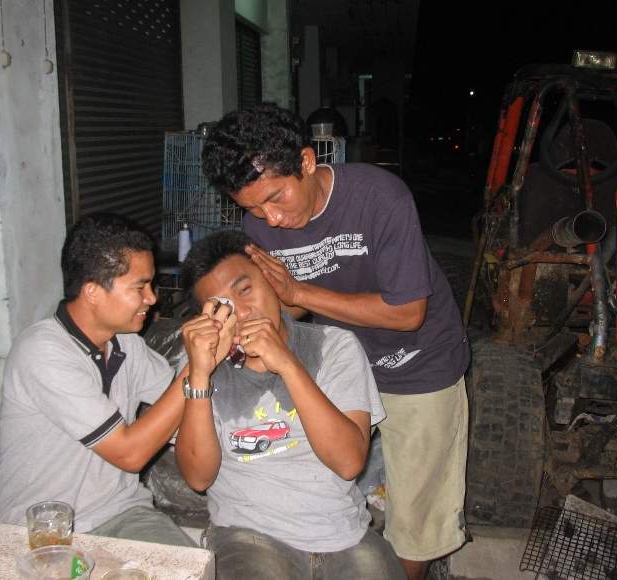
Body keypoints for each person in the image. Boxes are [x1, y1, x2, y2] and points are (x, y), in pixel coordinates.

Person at [201, 103, 471, 580]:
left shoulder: (380, 197)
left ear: (306, 162)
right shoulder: (260, 225)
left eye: (276, 198)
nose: (270, 219)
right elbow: (286, 310)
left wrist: (298, 293)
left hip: (417, 364)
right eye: (252, 208)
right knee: (327, 486)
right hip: (334, 364)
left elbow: (408, 312)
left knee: (417, 518)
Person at [0, 213, 233, 547]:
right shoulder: (42, 352)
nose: (152, 298)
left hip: (121, 511)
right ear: (92, 291)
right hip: (40, 526)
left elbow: (185, 407)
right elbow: (129, 453)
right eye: (139, 287)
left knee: (193, 567)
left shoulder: (126, 343)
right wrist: (197, 369)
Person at [175, 230, 405, 580]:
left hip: (342, 533)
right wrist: (200, 376)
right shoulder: (201, 364)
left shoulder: (334, 346)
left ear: (271, 280)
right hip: (248, 534)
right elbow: (198, 477)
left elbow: (348, 462)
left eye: (245, 289)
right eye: (223, 307)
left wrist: (287, 363)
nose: (242, 312)